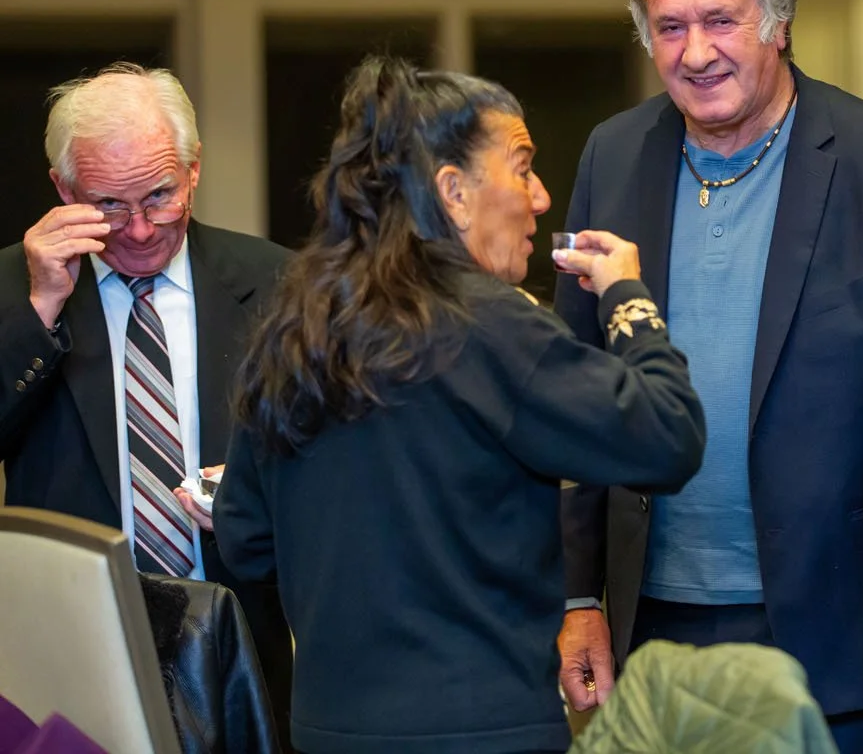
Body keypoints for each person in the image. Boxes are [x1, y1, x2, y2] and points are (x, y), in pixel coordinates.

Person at [553, 0, 863, 754]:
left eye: (722, 20)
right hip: (651, 617)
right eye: (670, 27)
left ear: (778, 21)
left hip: (835, 616)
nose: (697, 51)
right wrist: (577, 596)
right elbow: (573, 385)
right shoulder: (616, 153)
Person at [213, 57, 706, 754]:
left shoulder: (295, 327)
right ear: (455, 192)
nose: (540, 197)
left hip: (330, 730)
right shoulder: (495, 327)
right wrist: (627, 299)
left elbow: (245, 541)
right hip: (481, 730)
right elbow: (668, 436)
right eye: (523, 168)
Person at [0, 62, 294, 743]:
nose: (137, 230)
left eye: (160, 196)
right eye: (107, 204)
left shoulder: (280, 282)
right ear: (62, 189)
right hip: (65, 649)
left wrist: (256, 494)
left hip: (235, 643)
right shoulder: (15, 286)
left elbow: (334, 464)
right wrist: (38, 309)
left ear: (193, 171)